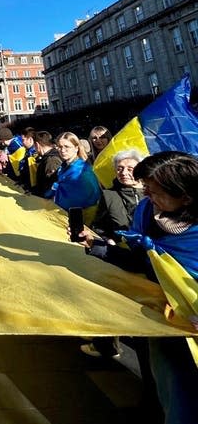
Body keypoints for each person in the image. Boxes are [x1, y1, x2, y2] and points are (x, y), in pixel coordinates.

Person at [78, 152, 198, 424]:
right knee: (178, 401)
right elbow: (140, 264)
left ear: (185, 196)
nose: (146, 195)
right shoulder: (146, 212)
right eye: (145, 186)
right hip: (165, 325)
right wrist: (101, 247)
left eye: (155, 190)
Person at [80, 148, 145, 360]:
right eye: (119, 168)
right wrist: (105, 238)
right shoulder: (109, 195)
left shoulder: (153, 195)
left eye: (129, 168)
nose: (124, 172)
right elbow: (99, 226)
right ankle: (108, 344)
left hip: (150, 261)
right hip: (119, 257)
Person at [49, 132, 101, 217]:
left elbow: (82, 200)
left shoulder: (83, 171)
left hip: (79, 218)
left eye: (67, 146)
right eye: (60, 147)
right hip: (64, 214)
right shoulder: (63, 167)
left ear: (76, 148)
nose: (62, 150)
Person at [31, 131, 62, 197]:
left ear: (37, 144)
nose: (34, 149)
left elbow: (51, 187)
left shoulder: (51, 161)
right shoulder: (49, 158)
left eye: (34, 146)